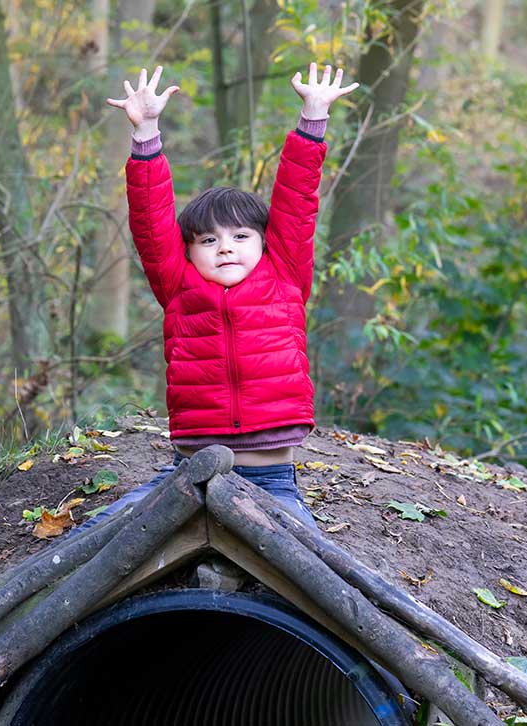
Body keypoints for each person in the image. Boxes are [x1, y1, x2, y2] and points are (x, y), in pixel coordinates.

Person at [79, 62, 358, 531]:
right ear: (188, 251)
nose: (225, 246)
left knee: (311, 568)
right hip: (187, 476)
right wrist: (146, 131)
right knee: (101, 535)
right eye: (208, 240)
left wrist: (313, 119)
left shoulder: (284, 275)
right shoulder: (178, 286)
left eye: (240, 236)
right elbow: (150, 222)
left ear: (264, 242)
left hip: (270, 480)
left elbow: (297, 201)